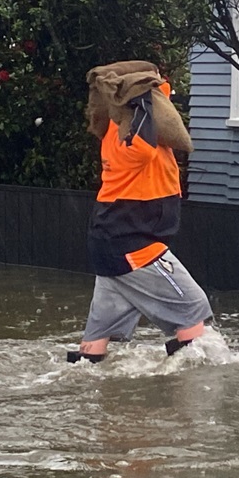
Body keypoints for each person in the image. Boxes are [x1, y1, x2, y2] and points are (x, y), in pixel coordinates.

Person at [70, 60, 212, 363]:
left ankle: (84, 380)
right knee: (193, 308)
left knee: (97, 338)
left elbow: (161, 107)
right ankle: (187, 387)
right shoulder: (128, 140)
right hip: (133, 245)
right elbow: (144, 134)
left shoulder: (122, 129)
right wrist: (139, 93)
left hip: (110, 242)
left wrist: (152, 88)